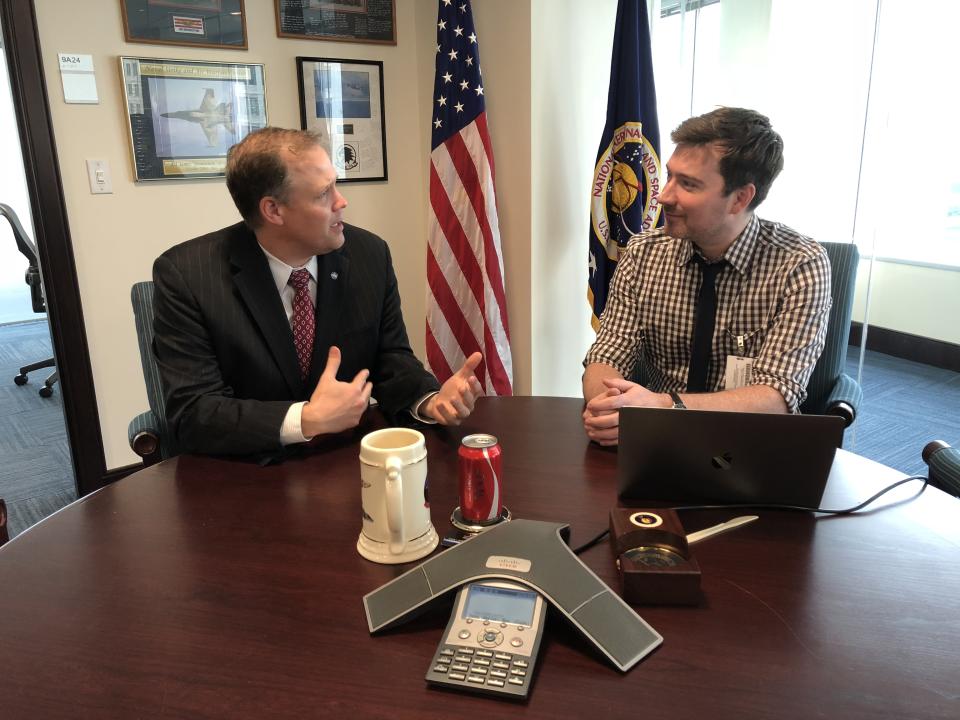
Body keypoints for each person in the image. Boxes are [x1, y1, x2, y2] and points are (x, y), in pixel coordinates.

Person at [153, 127, 483, 457]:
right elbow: (194, 413)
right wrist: (306, 420)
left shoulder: (369, 254)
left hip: (345, 462)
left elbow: (390, 359)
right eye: (323, 194)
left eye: (335, 185)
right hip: (247, 472)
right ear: (274, 210)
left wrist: (431, 399)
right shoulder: (188, 275)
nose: (341, 201)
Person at [582, 107, 831, 446]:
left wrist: (662, 406)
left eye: (688, 184)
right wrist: (609, 406)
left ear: (740, 198)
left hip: (750, 445)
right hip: (653, 440)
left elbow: (775, 396)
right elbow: (607, 354)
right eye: (670, 176)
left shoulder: (799, 264)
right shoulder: (643, 252)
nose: (663, 196)